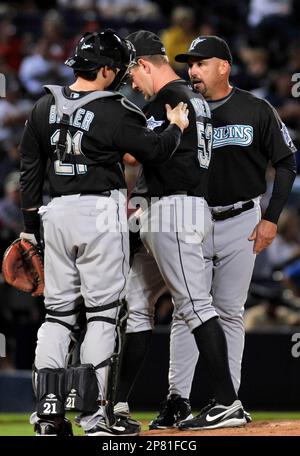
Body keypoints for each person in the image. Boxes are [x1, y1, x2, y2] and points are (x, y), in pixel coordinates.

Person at [19, 29, 189, 437]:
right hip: (97, 213)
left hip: (54, 214)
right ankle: (94, 418)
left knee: (58, 317)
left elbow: (29, 172)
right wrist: (177, 126)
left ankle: (47, 416)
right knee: (101, 316)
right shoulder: (116, 110)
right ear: (108, 70)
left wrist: (29, 232)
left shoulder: (43, 106)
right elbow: (155, 151)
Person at [148, 35, 297, 430]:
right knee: (187, 309)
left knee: (229, 311)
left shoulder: (256, 108)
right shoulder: (178, 108)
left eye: (201, 63)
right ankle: (177, 399)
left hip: (240, 221)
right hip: (189, 219)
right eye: (190, 64)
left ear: (224, 66)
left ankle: (225, 400)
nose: (193, 70)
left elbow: (286, 163)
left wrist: (271, 218)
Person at [115, 30, 248, 431]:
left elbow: (146, 149)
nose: (131, 83)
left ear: (142, 63)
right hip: (161, 207)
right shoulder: (191, 99)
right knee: (137, 305)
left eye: (131, 74)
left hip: (175, 208)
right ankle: (119, 405)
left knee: (194, 305)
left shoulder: (171, 98)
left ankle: (227, 401)